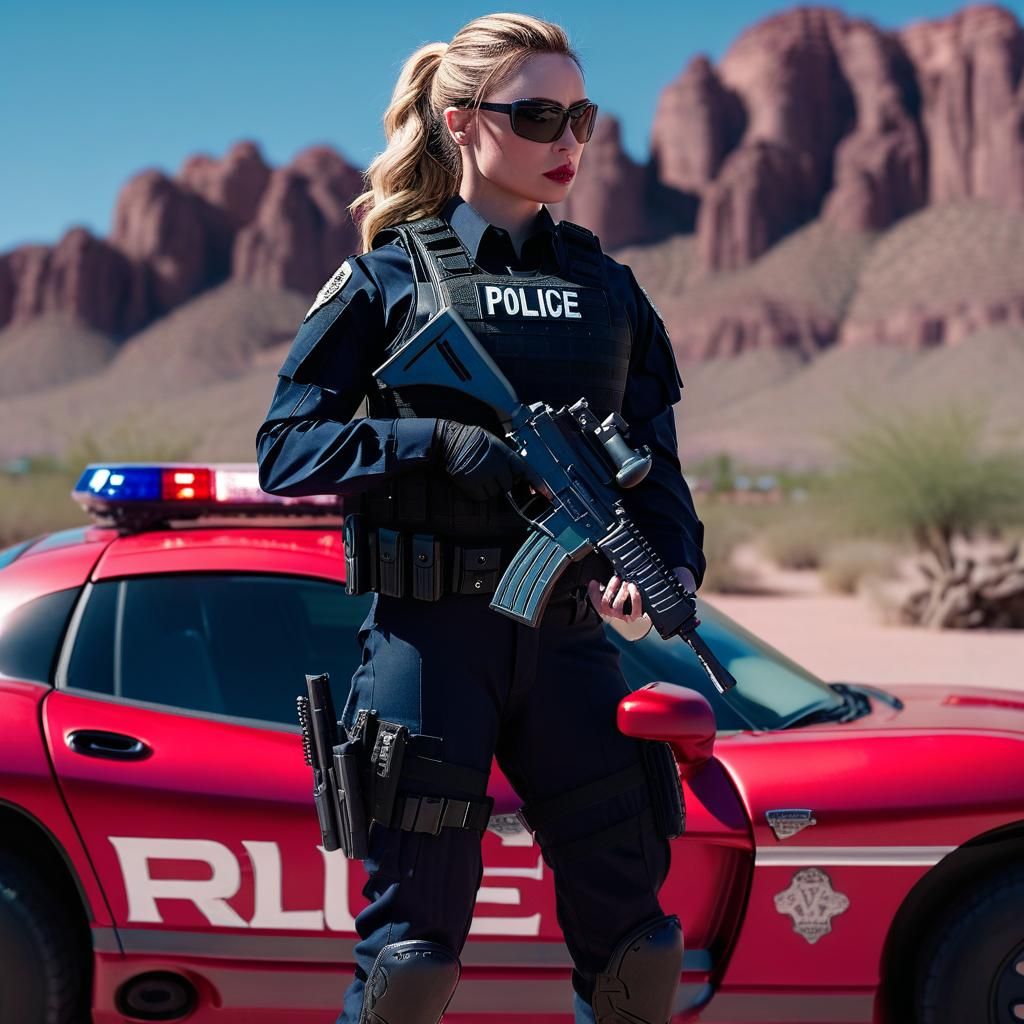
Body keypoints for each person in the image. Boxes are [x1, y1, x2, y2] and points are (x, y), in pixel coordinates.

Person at [255, 13, 706, 1024]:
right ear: (461, 122)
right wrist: (428, 444)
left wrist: (667, 563)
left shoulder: (609, 290)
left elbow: (659, 471)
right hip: (429, 642)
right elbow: (286, 447)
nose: (568, 142)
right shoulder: (384, 280)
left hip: (573, 643)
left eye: (580, 114)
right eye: (539, 115)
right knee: (408, 967)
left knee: (639, 953)